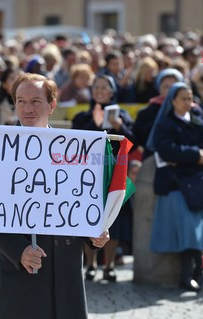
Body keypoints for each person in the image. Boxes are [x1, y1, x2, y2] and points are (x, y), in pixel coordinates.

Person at [0, 73, 110, 319]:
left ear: (52, 105)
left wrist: (94, 230)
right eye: (20, 101)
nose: (27, 108)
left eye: (35, 101)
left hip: (65, 268)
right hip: (20, 267)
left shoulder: (74, 149)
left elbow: (80, 202)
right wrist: (18, 249)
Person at [147, 83, 203, 291]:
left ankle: (197, 273)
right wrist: (195, 155)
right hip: (176, 185)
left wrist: (187, 156)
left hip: (196, 183)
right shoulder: (166, 124)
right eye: (183, 98)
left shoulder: (197, 121)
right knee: (187, 233)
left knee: (196, 234)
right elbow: (166, 149)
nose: (188, 102)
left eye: (190, 98)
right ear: (173, 101)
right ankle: (188, 276)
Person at [72, 74, 133, 282]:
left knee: (114, 221)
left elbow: (132, 141)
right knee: (90, 218)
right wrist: (96, 125)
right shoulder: (82, 116)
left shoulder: (122, 114)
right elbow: (76, 145)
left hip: (115, 175)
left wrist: (119, 127)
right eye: (96, 87)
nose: (99, 91)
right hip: (89, 177)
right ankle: (91, 263)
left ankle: (109, 265)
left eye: (104, 87)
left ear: (112, 91)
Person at [133, 68, 183, 159]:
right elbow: (139, 136)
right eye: (166, 87)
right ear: (159, 88)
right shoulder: (147, 112)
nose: (170, 91)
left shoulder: (191, 110)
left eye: (174, 87)